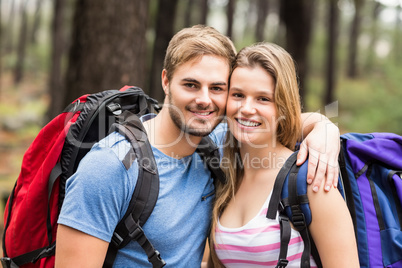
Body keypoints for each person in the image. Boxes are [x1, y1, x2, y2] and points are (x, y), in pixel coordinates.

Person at [55, 26, 341, 267]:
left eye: (217, 88)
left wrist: (324, 128)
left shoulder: (214, 144)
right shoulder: (111, 166)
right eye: (191, 85)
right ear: (166, 81)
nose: (204, 100)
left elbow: (270, 121)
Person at [208, 42, 359, 267]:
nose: (247, 108)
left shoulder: (310, 179)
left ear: (283, 106)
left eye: (263, 98)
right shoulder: (225, 173)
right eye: (238, 94)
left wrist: (325, 125)